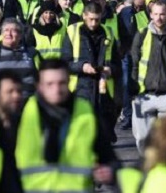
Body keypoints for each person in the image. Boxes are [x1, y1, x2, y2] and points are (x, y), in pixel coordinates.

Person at [14, 59, 118, 192]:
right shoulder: (25, 113)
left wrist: (109, 171)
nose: (56, 90)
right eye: (50, 84)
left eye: (61, 83)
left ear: (69, 82)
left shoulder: (85, 112)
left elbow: (109, 158)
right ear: (39, 86)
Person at [130, 0, 166, 154]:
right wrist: (133, 89)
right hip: (144, 95)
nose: (159, 18)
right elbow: (133, 63)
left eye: (162, 14)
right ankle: (146, 164)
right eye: (155, 14)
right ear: (151, 15)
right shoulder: (142, 34)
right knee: (143, 138)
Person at [62, 1, 121, 141]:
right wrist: (82, 67)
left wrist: (110, 70)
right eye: (91, 19)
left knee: (102, 136)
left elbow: (117, 64)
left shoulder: (108, 33)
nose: (94, 23)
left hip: (103, 90)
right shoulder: (72, 32)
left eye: (97, 19)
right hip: (79, 88)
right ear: (84, 16)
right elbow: (65, 62)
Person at [0, 18, 41, 99]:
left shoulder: (32, 53)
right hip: (2, 104)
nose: (9, 33)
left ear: (20, 35)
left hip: (29, 104)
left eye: (13, 31)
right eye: (6, 30)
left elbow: (43, 78)